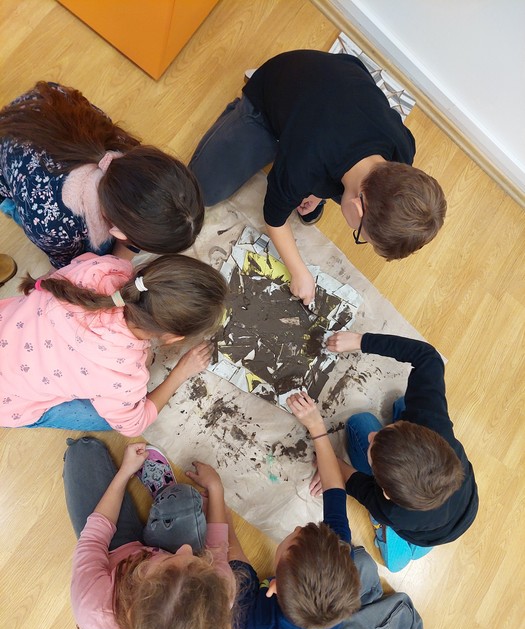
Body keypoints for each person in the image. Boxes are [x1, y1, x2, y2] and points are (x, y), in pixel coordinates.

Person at [227, 392, 440, 629]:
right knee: (401, 613)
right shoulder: (256, 625)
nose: (297, 528)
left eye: (294, 538)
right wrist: (317, 427)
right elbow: (335, 491)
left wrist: (215, 494)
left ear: (273, 587)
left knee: (363, 566)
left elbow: (235, 565)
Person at [189, 50, 447, 305]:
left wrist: (317, 192)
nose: (357, 233)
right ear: (357, 208)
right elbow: (274, 219)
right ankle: (243, 114)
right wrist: (299, 271)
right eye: (360, 233)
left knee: (310, 181)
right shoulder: (306, 163)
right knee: (202, 191)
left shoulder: (402, 150)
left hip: (334, 88)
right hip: (277, 90)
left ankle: (293, 143)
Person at [64, 436, 235, 629]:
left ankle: (164, 514)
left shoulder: (93, 609)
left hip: (115, 549)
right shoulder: (215, 596)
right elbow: (217, 550)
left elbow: (95, 536)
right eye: (196, 561)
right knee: (186, 500)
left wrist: (125, 473)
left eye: (169, 560)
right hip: (135, 562)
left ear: (135, 600)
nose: (186, 549)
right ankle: (167, 511)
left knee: (83, 451)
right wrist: (216, 490)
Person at [0, 251, 227, 435]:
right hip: (7, 401)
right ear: (173, 338)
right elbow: (134, 425)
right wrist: (180, 372)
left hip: (7, 327)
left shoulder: (105, 269)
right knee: (107, 421)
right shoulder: (123, 376)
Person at [311, 330, 479, 572]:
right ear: (427, 434)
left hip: (420, 528)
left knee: (360, 424)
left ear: (386, 492)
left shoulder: (391, 510)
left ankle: (391, 538)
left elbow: (352, 481)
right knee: (403, 403)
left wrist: (328, 461)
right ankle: (417, 540)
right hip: (461, 509)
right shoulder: (434, 421)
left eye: (372, 449)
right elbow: (427, 356)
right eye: (394, 429)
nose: (372, 436)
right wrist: (360, 340)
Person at [0, 81, 203, 269]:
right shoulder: (52, 226)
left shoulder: (125, 150)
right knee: (86, 254)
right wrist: (112, 262)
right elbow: (69, 268)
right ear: (117, 232)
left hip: (41, 106)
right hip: (9, 156)